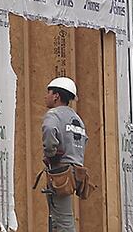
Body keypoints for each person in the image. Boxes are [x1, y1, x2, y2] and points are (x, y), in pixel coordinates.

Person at [41, 76, 88, 231]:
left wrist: (51, 153)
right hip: (76, 171)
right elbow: (84, 141)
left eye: (48, 93)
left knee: (63, 220)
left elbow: (49, 131)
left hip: (61, 171)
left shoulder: (54, 114)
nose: (45, 96)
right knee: (57, 218)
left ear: (56, 96)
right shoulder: (77, 118)